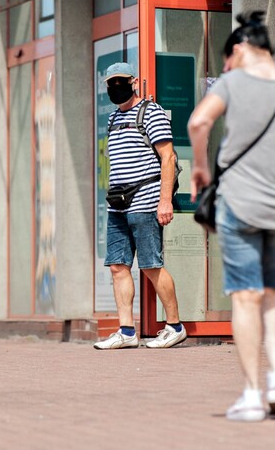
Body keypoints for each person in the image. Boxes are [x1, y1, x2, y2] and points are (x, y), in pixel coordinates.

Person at [188, 12, 275, 421]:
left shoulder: (233, 82)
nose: (227, 69)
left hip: (240, 201)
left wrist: (201, 167)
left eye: (227, 60)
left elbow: (199, 121)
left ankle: (252, 394)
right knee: (274, 294)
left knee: (245, 296)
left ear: (239, 50)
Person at [93, 62, 187, 350]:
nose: (114, 87)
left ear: (133, 81)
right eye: (110, 83)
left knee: (150, 265)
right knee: (118, 267)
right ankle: (126, 331)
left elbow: (168, 157)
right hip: (117, 204)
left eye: (120, 81)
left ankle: (175, 326)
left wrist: (165, 200)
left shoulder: (151, 112)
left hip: (146, 199)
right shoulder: (111, 119)